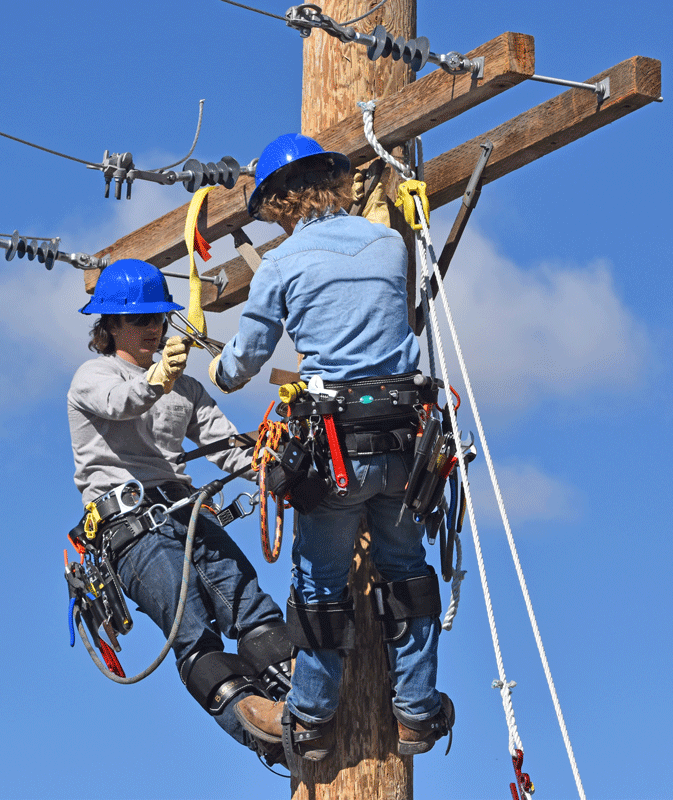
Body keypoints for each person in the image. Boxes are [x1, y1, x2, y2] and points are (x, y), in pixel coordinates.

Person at [208, 133, 453, 763]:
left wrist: (217, 370)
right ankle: (418, 714)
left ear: (284, 201)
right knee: (409, 576)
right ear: (336, 181)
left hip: (332, 452)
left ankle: (313, 721)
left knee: (320, 587)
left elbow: (245, 361)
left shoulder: (285, 264)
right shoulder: (389, 242)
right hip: (405, 444)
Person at [67, 258, 294, 765]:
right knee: (194, 631)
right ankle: (261, 729)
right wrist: (156, 380)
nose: (153, 328)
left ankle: (305, 699)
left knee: (253, 608)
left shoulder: (185, 389)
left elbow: (229, 447)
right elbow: (122, 402)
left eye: (159, 318)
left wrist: (275, 464)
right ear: (110, 326)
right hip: (131, 529)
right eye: (139, 319)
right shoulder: (93, 376)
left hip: (187, 512)